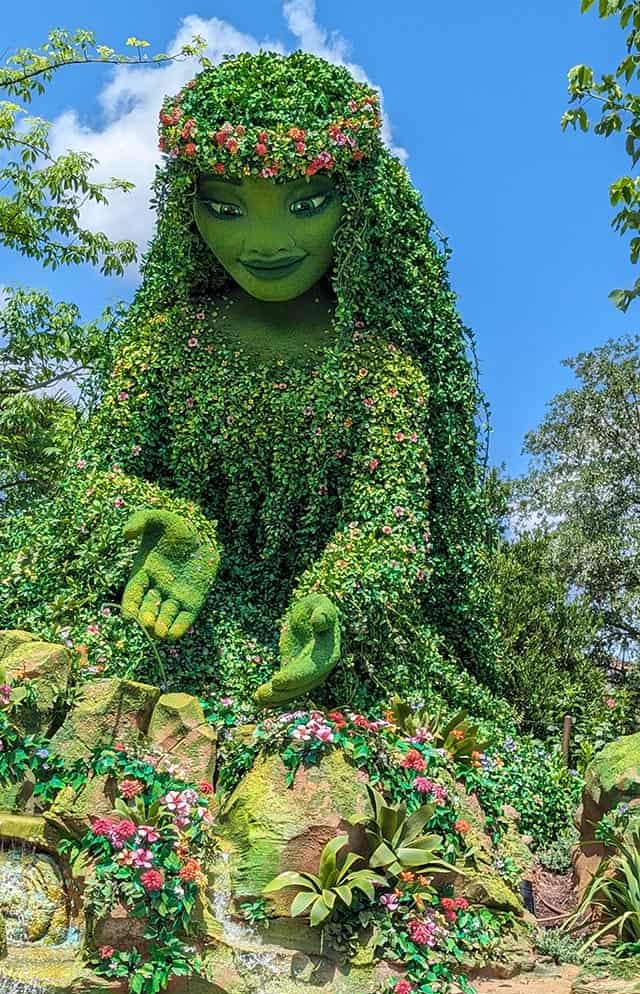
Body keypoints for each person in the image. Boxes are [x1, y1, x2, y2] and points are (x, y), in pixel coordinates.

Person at [0, 51, 500, 714]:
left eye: (306, 203)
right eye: (227, 208)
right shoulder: (169, 344)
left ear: (357, 205)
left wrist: (333, 598)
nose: (266, 241)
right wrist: (165, 525)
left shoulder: (382, 375)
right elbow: (95, 478)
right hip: (164, 630)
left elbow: (391, 524)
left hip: (322, 670)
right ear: (191, 210)